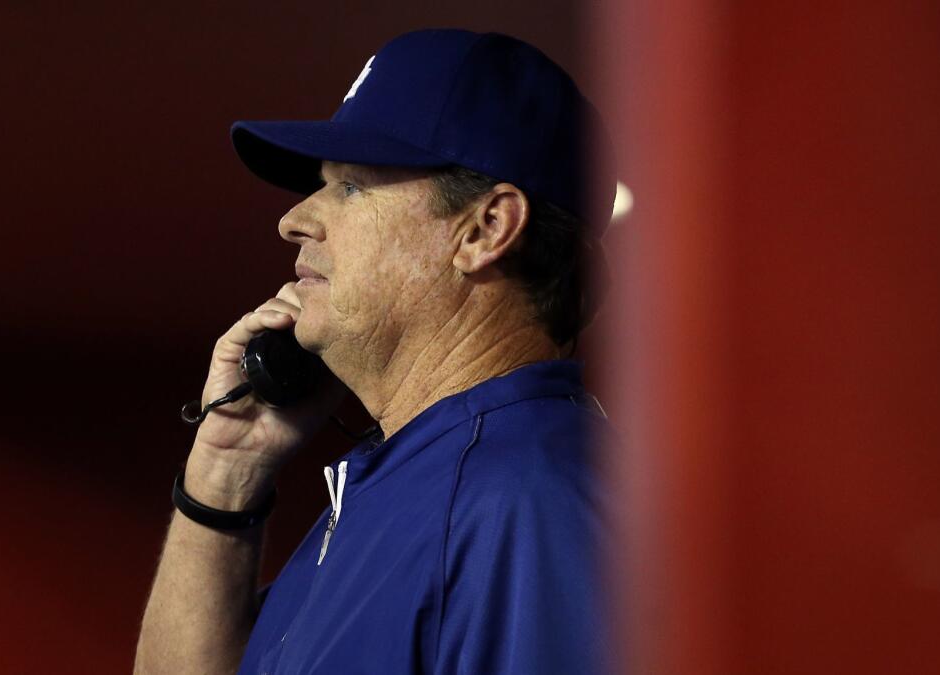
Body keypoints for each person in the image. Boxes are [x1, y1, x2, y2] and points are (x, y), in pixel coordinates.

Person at [134, 29, 616, 675]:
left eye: (353, 186)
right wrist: (227, 469)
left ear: (486, 229)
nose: (294, 219)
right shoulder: (410, 483)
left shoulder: (527, 501)